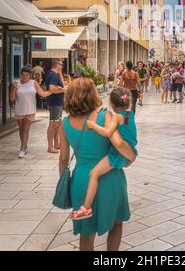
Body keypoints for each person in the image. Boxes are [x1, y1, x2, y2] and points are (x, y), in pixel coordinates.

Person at [59, 78, 136, 251]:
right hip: (110, 177)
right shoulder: (104, 115)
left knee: (86, 235)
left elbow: (63, 158)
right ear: (92, 93)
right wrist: (132, 157)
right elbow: (118, 143)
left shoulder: (64, 124)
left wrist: (66, 183)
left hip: (81, 179)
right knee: (116, 223)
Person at [70, 87, 138, 220]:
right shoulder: (130, 113)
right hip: (128, 150)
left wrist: (92, 125)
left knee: (93, 173)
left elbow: (108, 133)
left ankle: (86, 208)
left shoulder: (116, 117)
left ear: (112, 104)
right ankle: (86, 207)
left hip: (117, 154)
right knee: (95, 174)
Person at [10, 66, 51, 158]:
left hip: (30, 110)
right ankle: (24, 145)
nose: (25, 76)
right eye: (23, 75)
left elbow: (42, 93)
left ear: (30, 76)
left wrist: (52, 91)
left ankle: (22, 149)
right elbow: (12, 98)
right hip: (19, 110)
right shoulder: (16, 84)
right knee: (21, 130)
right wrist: (13, 89)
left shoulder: (34, 83)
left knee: (26, 129)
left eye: (27, 75)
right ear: (20, 75)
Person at [45, 60, 66, 154]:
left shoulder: (54, 74)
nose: (62, 66)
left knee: (57, 124)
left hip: (58, 102)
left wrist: (61, 88)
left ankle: (56, 143)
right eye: (61, 65)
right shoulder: (53, 75)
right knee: (53, 124)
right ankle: (50, 147)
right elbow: (52, 89)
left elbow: (61, 83)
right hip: (54, 103)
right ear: (56, 65)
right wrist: (63, 90)